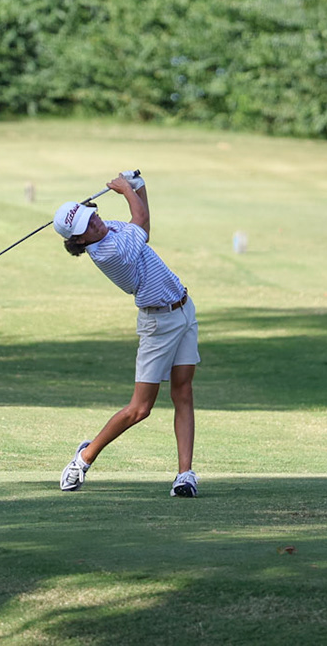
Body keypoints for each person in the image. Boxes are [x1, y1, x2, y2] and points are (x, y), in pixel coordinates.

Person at [52, 171, 200, 497]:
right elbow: (142, 220)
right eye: (86, 228)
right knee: (140, 409)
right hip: (158, 324)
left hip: (184, 310)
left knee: (184, 391)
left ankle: (185, 475)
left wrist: (138, 186)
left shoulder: (111, 228)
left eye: (92, 217)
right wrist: (124, 189)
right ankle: (84, 458)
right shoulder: (107, 252)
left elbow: (142, 224)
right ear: (78, 241)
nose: (96, 224)